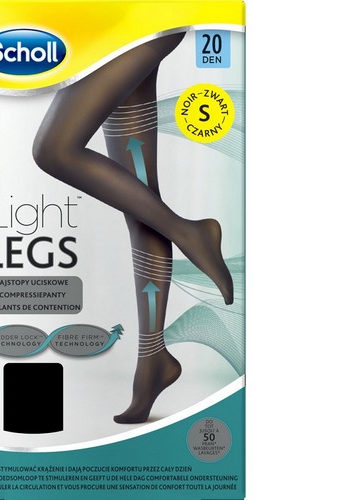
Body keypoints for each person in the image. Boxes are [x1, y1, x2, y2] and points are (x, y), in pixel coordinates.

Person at [33, 32, 233, 424]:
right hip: (117, 22)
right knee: (139, 200)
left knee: (54, 149)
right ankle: (152, 360)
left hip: (130, 20)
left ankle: (190, 233)